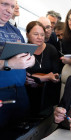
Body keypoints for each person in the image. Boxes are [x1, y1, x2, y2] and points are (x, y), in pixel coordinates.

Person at [0, 0, 35, 130]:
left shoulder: (15, 31)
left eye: (12, 6)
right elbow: (12, 62)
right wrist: (9, 63)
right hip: (1, 92)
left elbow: (25, 54)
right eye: (4, 4)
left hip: (20, 91)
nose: (9, 10)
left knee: (21, 131)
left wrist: (30, 60)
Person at [25, 21, 60, 116]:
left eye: (42, 35)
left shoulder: (51, 49)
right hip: (27, 94)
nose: (40, 37)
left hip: (48, 94)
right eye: (36, 34)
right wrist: (47, 77)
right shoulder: (23, 50)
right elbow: (26, 78)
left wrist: (37, 78)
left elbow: (56, 75)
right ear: (27, 35)